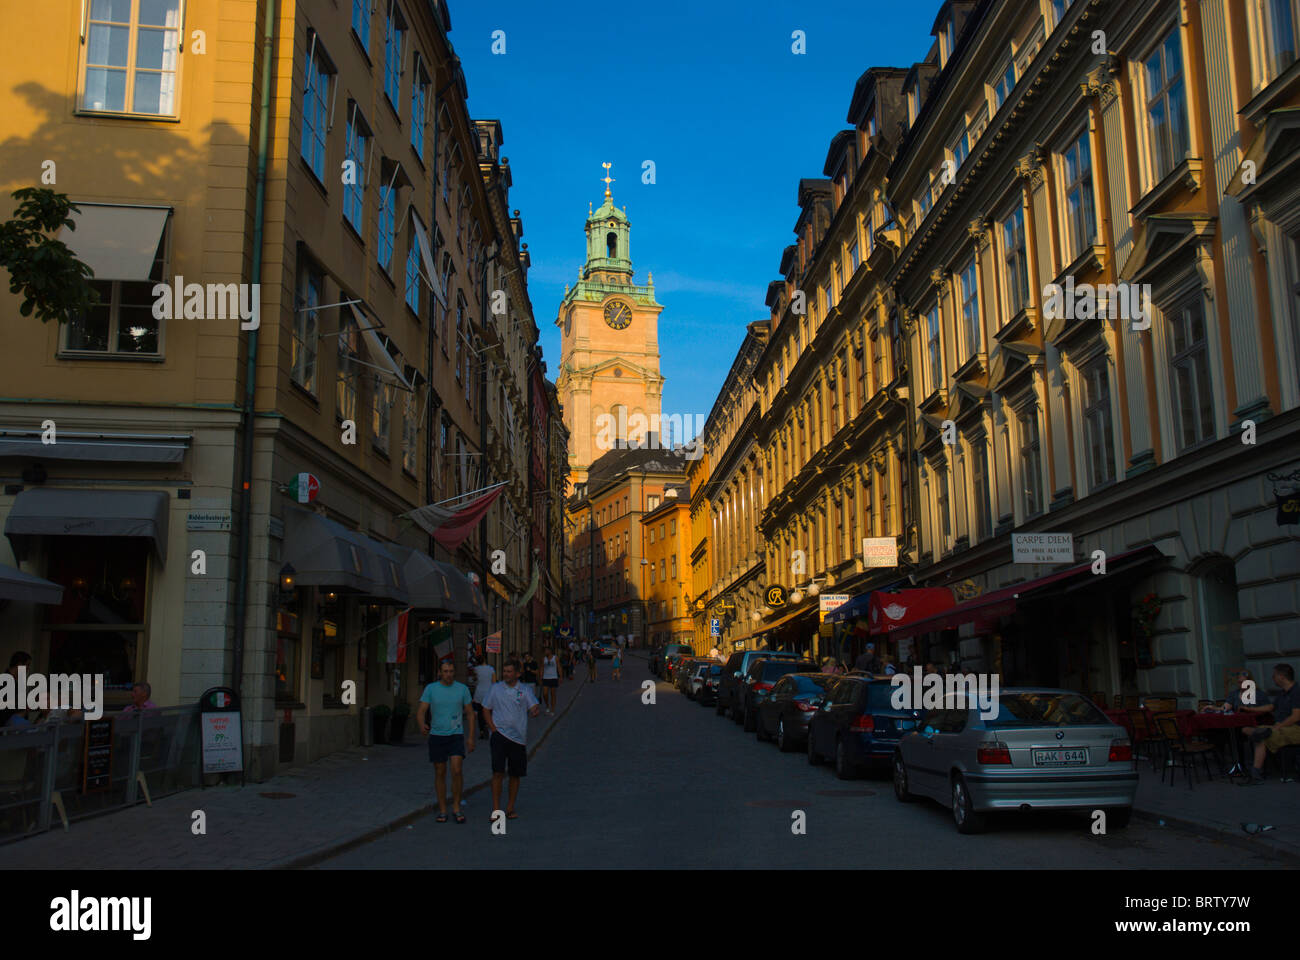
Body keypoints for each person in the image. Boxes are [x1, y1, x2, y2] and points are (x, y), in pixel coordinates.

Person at [417, 660, 476, 823]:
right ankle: (443, 809)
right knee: (440, 771)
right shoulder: (431, 689)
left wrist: (471, 738)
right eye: (445, 671)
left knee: (456, 770)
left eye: (451, 671)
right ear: (439, 673)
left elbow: (470, 714)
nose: (448, 674)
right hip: (437, 735)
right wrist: (422, 725)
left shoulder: (462, 689)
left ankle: (456, 806)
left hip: (456, 734)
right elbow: (421, 711)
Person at [482, 659, 541, 820]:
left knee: (515, 774)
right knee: (497, 773)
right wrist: (493, 729)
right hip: (499, 736)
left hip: (518, 738)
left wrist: (535, 710)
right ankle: (496, 809)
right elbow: (486, 709)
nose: (506, 674)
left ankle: (510, 807)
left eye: (509, 671)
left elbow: (533, 706)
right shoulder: (495, 689)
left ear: (517, 674)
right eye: (505, 671)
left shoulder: (525, 690)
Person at [1239, 664, 1300, 785]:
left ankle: (1255, 774)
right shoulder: (1282, 693)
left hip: (1295, 729)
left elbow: (1295, 717)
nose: (1273, 678)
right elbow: (1271, 707)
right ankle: (1262, 733)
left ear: (1282, 677)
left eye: (1274, 676)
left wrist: (1278, 726)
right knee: (1245, 729)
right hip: (1279, 728)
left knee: (1262, 737)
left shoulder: (1297, 692)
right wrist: (1250, 709)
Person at [471, 659, 495, 735]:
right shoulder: (491, 669)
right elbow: (494, 681)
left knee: (480, 712)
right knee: (488, 711)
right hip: (488, 693)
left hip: (479, 694)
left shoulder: (476, 669)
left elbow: (474, 679)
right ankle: (487, 725)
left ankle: (481, 730)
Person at [539, 647, 559, 714]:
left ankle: (552, 709)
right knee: (545, 693)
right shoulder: (543, 659)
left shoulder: (555, 658)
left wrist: (561, 676)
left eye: (546, 651)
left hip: (553, 677)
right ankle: (547, 706)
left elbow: (559, 667)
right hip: (545, 678)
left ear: (550, 651)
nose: (545, 652)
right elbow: (542, 668)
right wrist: (541, 677)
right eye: (544, 651)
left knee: (553, 694)